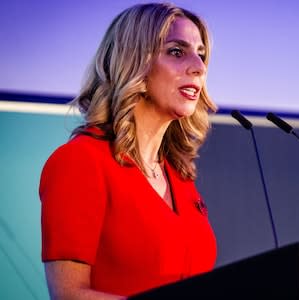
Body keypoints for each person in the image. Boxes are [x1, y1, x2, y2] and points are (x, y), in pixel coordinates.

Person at [39, 3, 217, 299]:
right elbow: (69, 295)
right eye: (176, 51)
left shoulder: (181, 178)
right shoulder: (80, 162)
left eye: (201, 54)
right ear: (133, 61)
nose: (198, 67)